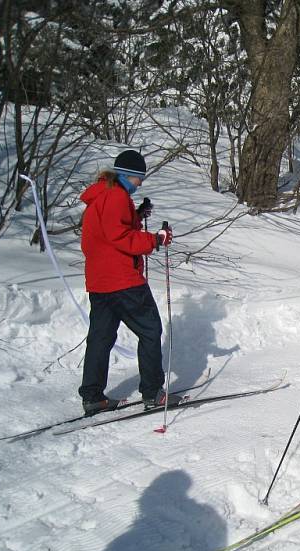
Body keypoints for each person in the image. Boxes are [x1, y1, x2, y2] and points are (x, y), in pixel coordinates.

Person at [77, 149, 179, 416]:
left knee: (100, 338)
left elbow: (109, 231)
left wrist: (137, 215)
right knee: (150, 330)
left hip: (99, 282)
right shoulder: (116, 196)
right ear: (127, 175)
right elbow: (120, 237)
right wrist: (156, 240)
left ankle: (92, 397)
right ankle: (153, 393)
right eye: (138, 179)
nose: (139, 185)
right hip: (123, 280)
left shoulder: (100, 196)